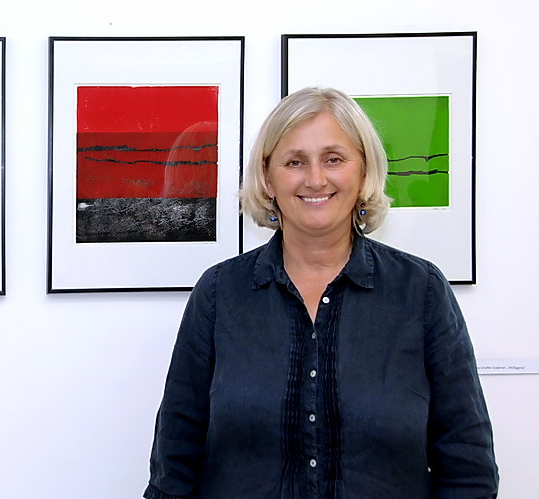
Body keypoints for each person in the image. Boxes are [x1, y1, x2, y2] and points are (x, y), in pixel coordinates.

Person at [143, 87, 498, 498]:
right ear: (268, 178)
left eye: (334, 159)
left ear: (363, 172)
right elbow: (174, 465)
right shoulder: (219, 293)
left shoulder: (422, 291)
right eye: (295, 162)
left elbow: (468, 468)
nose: (315, 179)